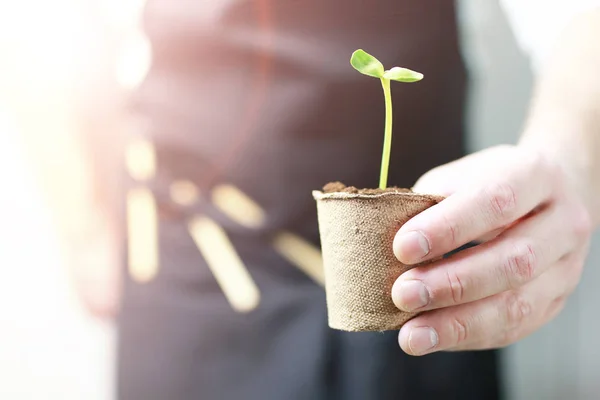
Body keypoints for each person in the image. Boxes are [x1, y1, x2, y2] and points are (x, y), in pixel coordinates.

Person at [70, 1, 600, 399]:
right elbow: (49, 23)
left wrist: (567, 155)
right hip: (192, 254)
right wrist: (88, 223)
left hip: (418, 269)